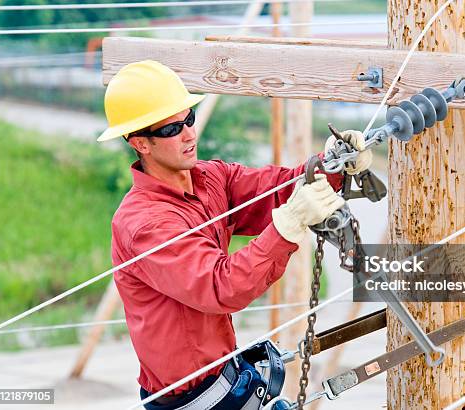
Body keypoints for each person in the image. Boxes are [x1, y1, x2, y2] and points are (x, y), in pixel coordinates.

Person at [97, 60, 372, 409]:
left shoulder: (210, 178)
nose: (188, 134)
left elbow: (276, 190)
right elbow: (221, 286)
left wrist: (331, 165)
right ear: (140, 143)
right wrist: (287, 225)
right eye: (171, 129)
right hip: (191, 399)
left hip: (226, 377)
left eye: (189, 119)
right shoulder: (144, 224)